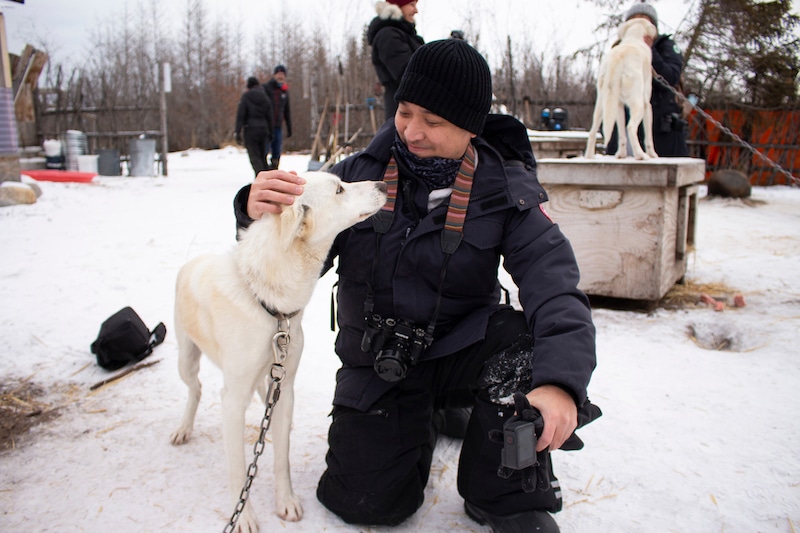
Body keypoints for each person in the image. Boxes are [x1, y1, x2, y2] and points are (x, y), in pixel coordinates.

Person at [234, 40, 600, 532]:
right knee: (366, 504)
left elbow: (556, 289)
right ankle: (423, 417)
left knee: (523, 346)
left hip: (460, 350)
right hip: (378, 358)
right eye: (405, 113)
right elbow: (282, 265)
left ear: (470, 127)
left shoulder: (505, 189)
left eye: (434, 120)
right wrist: (256, 211)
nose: (412, 131)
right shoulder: (354, 179)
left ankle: (503, 495)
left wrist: (560, 384)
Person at [606, 2, 689, 157]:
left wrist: (649, 50)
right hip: (623, 128)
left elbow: (670, 78)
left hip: (659, 133)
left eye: (643, 19)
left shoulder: (665, 46)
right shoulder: (618, 50)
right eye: (634, 19)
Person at [367, 0, 424, 121]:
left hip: (414, 111)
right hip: (404, 114)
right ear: (398, 6)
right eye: (412, 5)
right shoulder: (388, 35)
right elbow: (409, 74)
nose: (416, 10)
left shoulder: (406, 35)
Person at [234, 76, 273, 175]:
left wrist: (237, 132)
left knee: (254, 156)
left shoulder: (246, 96)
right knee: (263, 156)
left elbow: (241, 115)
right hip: (264, 130)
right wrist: (271, 132)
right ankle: (266, 177)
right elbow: (270, 116)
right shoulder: (265, 97)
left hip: (250, 130)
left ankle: (260, 177)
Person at [263, 65, 292, 170]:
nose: (280, 76)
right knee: (265, 149)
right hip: (266, 126)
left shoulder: (284, 91)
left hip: (277, 126)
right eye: (278, 74)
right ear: (274, 75)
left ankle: (274, 169)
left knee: (277, 150)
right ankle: (263, 170)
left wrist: (289, 128)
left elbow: (287, 110)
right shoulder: (266, 88)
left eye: (282, 74)